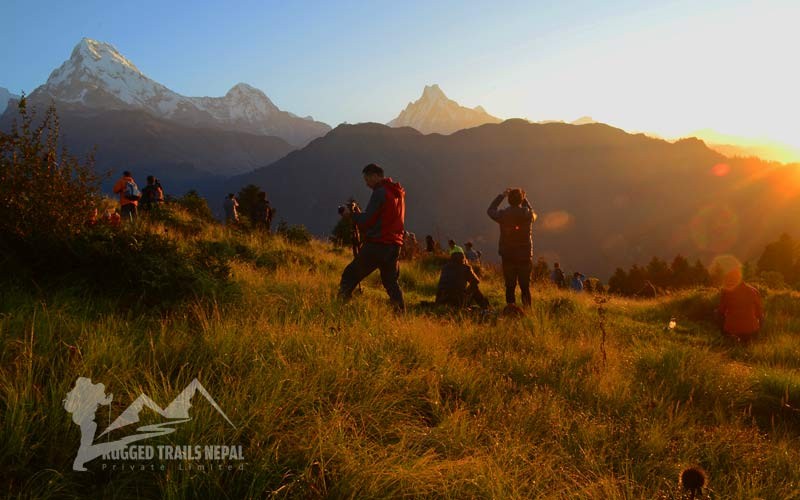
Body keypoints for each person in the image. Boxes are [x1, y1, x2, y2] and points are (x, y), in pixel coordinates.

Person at [338, 163, 406, 311]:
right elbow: (382, 218)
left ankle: (340, 308)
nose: (366, 183)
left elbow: (368, 221)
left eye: (367, 179)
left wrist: (351, 215)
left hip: (378, 244)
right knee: (390, 283)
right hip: (394, 245)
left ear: (375, 176)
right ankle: (400, 314)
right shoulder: (397, 193)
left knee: (350, 274)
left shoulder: (380, 192)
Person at [487, 188, 537, 307]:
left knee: (510, 286)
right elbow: (533, 212)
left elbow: (490, 210)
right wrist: (524, 199)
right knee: (525, 286)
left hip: (508, 255)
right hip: (525, 256)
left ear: (508, 200)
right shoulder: (528, 214)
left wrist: (502, 195)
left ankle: (511, 310)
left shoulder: (503, 215)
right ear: (521, 200)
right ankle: (527, 310)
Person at [717, 267, 764, 341]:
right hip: (751, 331)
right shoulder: (754, 291)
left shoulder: (726, 292)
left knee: (718, 313)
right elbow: (760, 315)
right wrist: (758, 330)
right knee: (759, 318)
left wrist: (723, 330)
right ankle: (755, 337)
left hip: (731, 331)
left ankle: (724, 336)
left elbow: (720, 312)